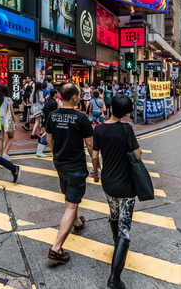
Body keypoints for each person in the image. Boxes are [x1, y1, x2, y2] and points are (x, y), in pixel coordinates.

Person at [91, 94, 140, 289]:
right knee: (125, 228)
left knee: (114, 214)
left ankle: (115, 242)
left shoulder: (100, 129)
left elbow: (95, 156)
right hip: (126, 185)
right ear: (126, 113)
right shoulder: (127, 129)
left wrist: (96, 171)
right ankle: (114, 278)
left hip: (108, 182)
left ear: (110, 108)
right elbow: (137, 154)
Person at [45, 83, 94, 265]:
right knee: (71, 205)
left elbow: (49, 138)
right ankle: (56, 249)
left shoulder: (53, 115)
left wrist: (56, 154)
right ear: (74, 97)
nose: (80, 97)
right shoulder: (81, 118)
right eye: (79, 95)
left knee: (69, 197)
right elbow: (90, 145)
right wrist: (96, 166)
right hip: (75, 166)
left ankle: (77, 224)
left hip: (60, 164)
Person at [0, 84, 16, 161]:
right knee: (11, 137)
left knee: (0, 139)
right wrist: (14, 122)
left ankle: (0, 156)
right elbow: (12, 112)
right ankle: (5, 153)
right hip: (7, 120)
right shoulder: (8, 99)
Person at [38, 89, 59, 158]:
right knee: (49, 137)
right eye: (57, 93)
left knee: (51, 136)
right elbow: (55, 113)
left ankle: (55, 151)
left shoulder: (49, 101)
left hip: (48, 121)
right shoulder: (54, 102)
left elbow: (42, 110)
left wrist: (34, 115)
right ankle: (39, 151)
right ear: (55, 94)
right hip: (52, 122)